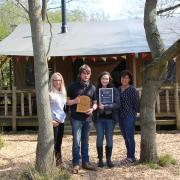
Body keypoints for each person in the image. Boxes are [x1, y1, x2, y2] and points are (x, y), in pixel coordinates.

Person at [67, 64, 97, 174]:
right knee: (76, 141)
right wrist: (74, 101)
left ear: (90, 74)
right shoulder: (72, 86)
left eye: (88, 73)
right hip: (76, 118)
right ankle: (76, 164)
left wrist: (92, 109)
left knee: (86, 142)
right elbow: (67, 102)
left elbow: (95, 103)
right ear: (80, 74)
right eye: (84, 73)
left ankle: (86, 162)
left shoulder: (93, 87)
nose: (86, 75)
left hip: (88, 119)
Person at [95, 71, 120, 168]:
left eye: (106, 78)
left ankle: (109, 159)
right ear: (100, 80)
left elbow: (117, 104)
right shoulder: (96, 90)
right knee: (99, 137)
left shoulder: (114, 90)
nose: (105, 80)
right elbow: (93, 102)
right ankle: (100, 159)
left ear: (109, 80)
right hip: (99, 119)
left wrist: (106, 107)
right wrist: (97, 105)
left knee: (109, 138)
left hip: (110, 119)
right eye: (103, 78)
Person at [118, 70, 139, 165]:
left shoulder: (132, 89)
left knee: (130, 136)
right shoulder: (118, 89)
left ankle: (132, 157)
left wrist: (137, 112)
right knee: (125, 137)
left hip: (129, 115)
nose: (124, 79)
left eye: (126, 77)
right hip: (120, 116)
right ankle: (128, 156)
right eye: (122, 77)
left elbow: (136, 102)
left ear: (129, 79)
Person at [49, 72, 67, 166]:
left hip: (61, 121)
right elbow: (45, 109)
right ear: (52, 81)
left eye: (59, 80)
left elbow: (63, 107)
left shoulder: (62, 93)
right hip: (54, 122)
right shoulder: (49, 93)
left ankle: (59, 163)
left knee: (59, 143)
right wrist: (50, 121)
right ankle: (50, 164)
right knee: (52, 144)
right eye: (55, 80)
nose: (58, 82)